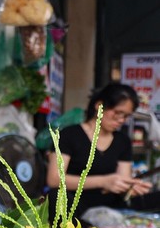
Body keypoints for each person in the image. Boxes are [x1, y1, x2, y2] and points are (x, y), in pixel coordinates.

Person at [46, 83, 153, 220]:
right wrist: (104, 181)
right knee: (57, 197)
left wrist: (130, 188)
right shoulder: (69, 135)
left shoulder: (122, 141)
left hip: (111, 207)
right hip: (76, 206)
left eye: (126, 116)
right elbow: (54, 179)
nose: (121, 120)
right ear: (99, 106)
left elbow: (122, 180)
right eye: (117, 113)